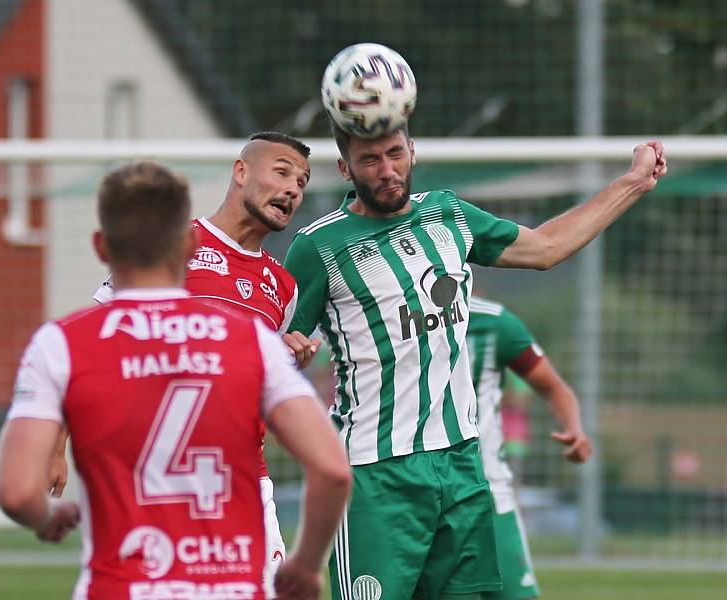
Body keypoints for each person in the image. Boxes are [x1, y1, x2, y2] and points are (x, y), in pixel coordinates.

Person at [283, 119, 666, 600]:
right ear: (344, 168)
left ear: (413, 151)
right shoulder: (319, 246)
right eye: (369, 159)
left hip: (462, 463)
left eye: (395, 153)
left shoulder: (449, 215)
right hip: (374, 473)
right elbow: (270, 345)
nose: (387, 170)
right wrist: (288, 352)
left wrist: (632, 183)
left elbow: (546, 247)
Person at [0, 160, 351, 600]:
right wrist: (307, 565)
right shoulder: (250, 340)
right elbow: (333, 470)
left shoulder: (61, 343)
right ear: (188, 245)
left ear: (101, 247)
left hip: (123, 584)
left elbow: (14, 491)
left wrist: (45, 516)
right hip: (232, 579)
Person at [90, 132, 320, 598]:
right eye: (281, 171)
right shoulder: (171, 245)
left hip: (243, 480)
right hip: (158, 485)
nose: (294, 188)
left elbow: (253, 387)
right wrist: (57, 444)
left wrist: (288, 363)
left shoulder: (283, 286)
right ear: (241, 172)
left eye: (302, 181)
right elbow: (94, 340)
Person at [467, 295, 592, 600]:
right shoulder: (380, 315)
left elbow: (553, 387)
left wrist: (575, 428)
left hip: (486, 492)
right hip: (409, 494)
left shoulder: (494, 324)